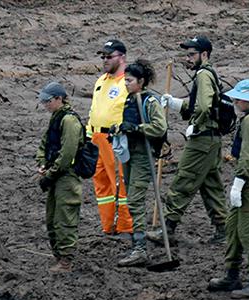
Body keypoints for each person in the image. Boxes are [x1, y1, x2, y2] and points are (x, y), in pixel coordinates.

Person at [152, 35, 228, 246]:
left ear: (204, 55)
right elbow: (200, 104)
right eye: (187, 54)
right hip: (212, 140)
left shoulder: (203, 74)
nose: (188, 58)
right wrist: (176, 104)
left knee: (184, 180)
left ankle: (167, 229)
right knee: (211, 185)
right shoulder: (209, 74)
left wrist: (196, 123)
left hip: (201, 139)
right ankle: (224, 230)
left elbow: (203, 107)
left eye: (192, 54)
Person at [208, 79, 249, 298]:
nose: (235, 101)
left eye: (240, 97)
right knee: (234, 228)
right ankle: (232, 275)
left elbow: (248, 156)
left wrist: (238, 183)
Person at [114, 60, 167, 267]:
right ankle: (138, 245)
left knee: (135, 199)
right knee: (130, 197)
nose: (126, 83)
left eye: (129, 80)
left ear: (141, 81)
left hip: (143, 155)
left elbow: (160, 128)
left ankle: (140, 249)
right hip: (130, 153)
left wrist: (137, 129)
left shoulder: (150, 101)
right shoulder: (129, 99)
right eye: (125, 80)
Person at [35, 82, 86, 272]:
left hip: (67, 176)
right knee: (52, 218)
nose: (45, 105)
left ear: (59, 99)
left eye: (48, 101)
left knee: (65, 218)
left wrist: (50, 173)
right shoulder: (57, 118)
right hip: (57, 174)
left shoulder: (69, 121)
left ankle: (66, 261)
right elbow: (46, 144)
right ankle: (59, 256)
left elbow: (67, 154)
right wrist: (42, 163)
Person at [87, 39, 132, 237]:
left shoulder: (128, 82)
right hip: (96, 138)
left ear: (122, 57)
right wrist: (88, 138)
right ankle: (108, 225)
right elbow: (94, 110)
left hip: (115, 138)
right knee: (101, 183)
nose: (105, 60)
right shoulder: (100, 81)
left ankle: (125, 226)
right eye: (103, 56)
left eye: (109, 56)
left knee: (120, 183)